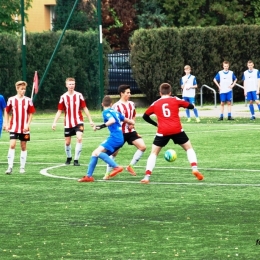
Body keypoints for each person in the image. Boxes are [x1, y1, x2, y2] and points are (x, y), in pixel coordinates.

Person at [140, 83, 204, 184]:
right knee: (189, 148)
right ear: (170, 92)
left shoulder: (155, 103)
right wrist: (191, 104)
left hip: (162, 131)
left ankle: (147, 176)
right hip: (177, 130)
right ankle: (194, 168)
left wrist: (156, 124)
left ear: (160, 93)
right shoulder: (175, 100)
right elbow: (190, 106)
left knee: (154, 153)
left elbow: (145, 116)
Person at [78, 95, 135, 182]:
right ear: (111, 104)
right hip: (120, 138)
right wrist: (131, 123)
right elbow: (130, 121)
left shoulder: (105, 112)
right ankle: (89, 176)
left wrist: (100, 127)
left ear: (102, 104)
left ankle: (116, 167)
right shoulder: (116, 112)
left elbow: (112, 120)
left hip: (115, 138)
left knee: (97, 152)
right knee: (95, 153)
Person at [104, 85, 146, 179]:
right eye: (127, 93)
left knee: (142, 147)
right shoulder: (116, 106)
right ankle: (107, 174)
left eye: (130, 92)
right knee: (114, 153)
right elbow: (113, 119)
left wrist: (132, 123)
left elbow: (134, 115)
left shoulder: (131, 104)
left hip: (131, 131)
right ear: (122, 93)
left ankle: (130, 166)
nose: (129, 94)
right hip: (120, 133)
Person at [52, 77, 94, 166]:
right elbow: (59, 111)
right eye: (70, 84)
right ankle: (69, 157)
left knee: (79, 137)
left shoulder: (79, 95)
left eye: (73, 84)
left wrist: (90, 120)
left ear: (75, 85)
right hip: (68, 123)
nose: (71, 86)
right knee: (67, 142)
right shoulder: (63, 97)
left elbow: (85, 108)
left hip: (79, 121)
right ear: (66, 85)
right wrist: (54, 122)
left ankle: (76, 160)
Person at [3, 81, 36, 174]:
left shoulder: (28, 100)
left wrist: (27, 124)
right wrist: (7, 123)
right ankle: (10, 167)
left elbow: (31, 113)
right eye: (22, 89)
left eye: (24, 89)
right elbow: (7, 111)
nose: (23, 91)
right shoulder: (11, 100)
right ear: (17, 89)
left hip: (24, 128)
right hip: (14, 127)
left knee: (23, 146)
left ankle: (22, 167)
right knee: (12, 145)